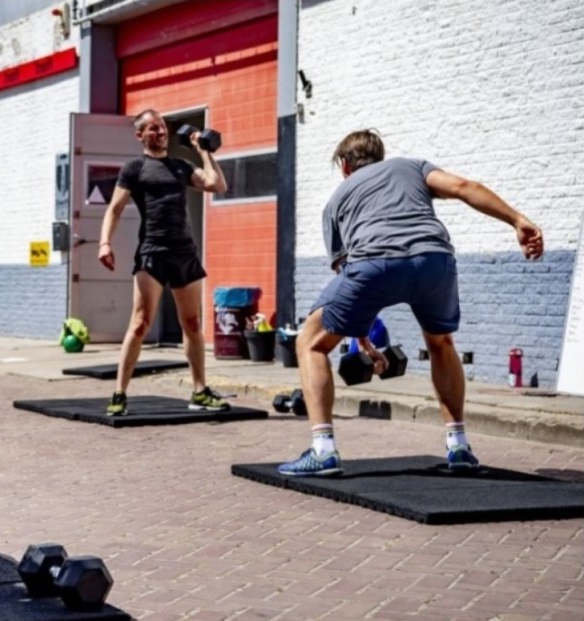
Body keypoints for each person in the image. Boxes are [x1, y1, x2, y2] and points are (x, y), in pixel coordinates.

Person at [279, 129, 544, 477]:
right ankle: (458, 447)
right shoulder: (413, 167)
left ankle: (323, 450)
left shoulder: (335, 202)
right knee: (441, 342)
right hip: (435, 260)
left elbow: (351, 279)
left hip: (374, 264)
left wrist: (361, 340)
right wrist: (517, 219)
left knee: (310, 343)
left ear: (344, 166)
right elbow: (465, 188)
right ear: (381, 157)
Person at [98, 109, 230, 416]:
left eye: (163, 128)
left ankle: (200, 391)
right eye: (154, 129)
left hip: (184, 252)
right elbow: (114, 210)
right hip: (152, 253)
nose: (161, 133)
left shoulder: (181, 166)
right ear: (140, 135)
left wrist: (204, 152)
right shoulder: (134, 168)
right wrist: (105, 242)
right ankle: (119, 393)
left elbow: (216, 185)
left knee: (193, 323)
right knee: (140, 323)